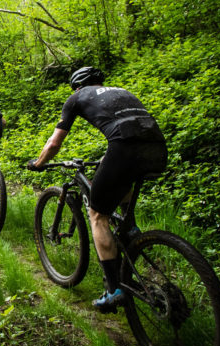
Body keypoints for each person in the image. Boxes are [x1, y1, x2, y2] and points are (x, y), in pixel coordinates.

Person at [26, 67, 167, 313]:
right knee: (119, 172)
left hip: (124, 147)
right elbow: (131, 128)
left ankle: (115, 290)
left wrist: (38, 163)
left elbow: (55, 143)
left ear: (77, 85)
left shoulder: (77, 97)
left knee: (97, 215)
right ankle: (130, 230)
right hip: (157, 148)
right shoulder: (122, 92)